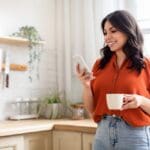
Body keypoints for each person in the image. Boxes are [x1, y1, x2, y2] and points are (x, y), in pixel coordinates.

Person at [76, 10, 150, 150]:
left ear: (128, 30)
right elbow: (92, 109)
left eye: (113, 31)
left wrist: (140, 101)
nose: (107, 37)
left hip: (134, 137)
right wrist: (86, 86)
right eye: (105, 33)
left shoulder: (146, 65)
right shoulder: (99, 65)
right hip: (102, 134)